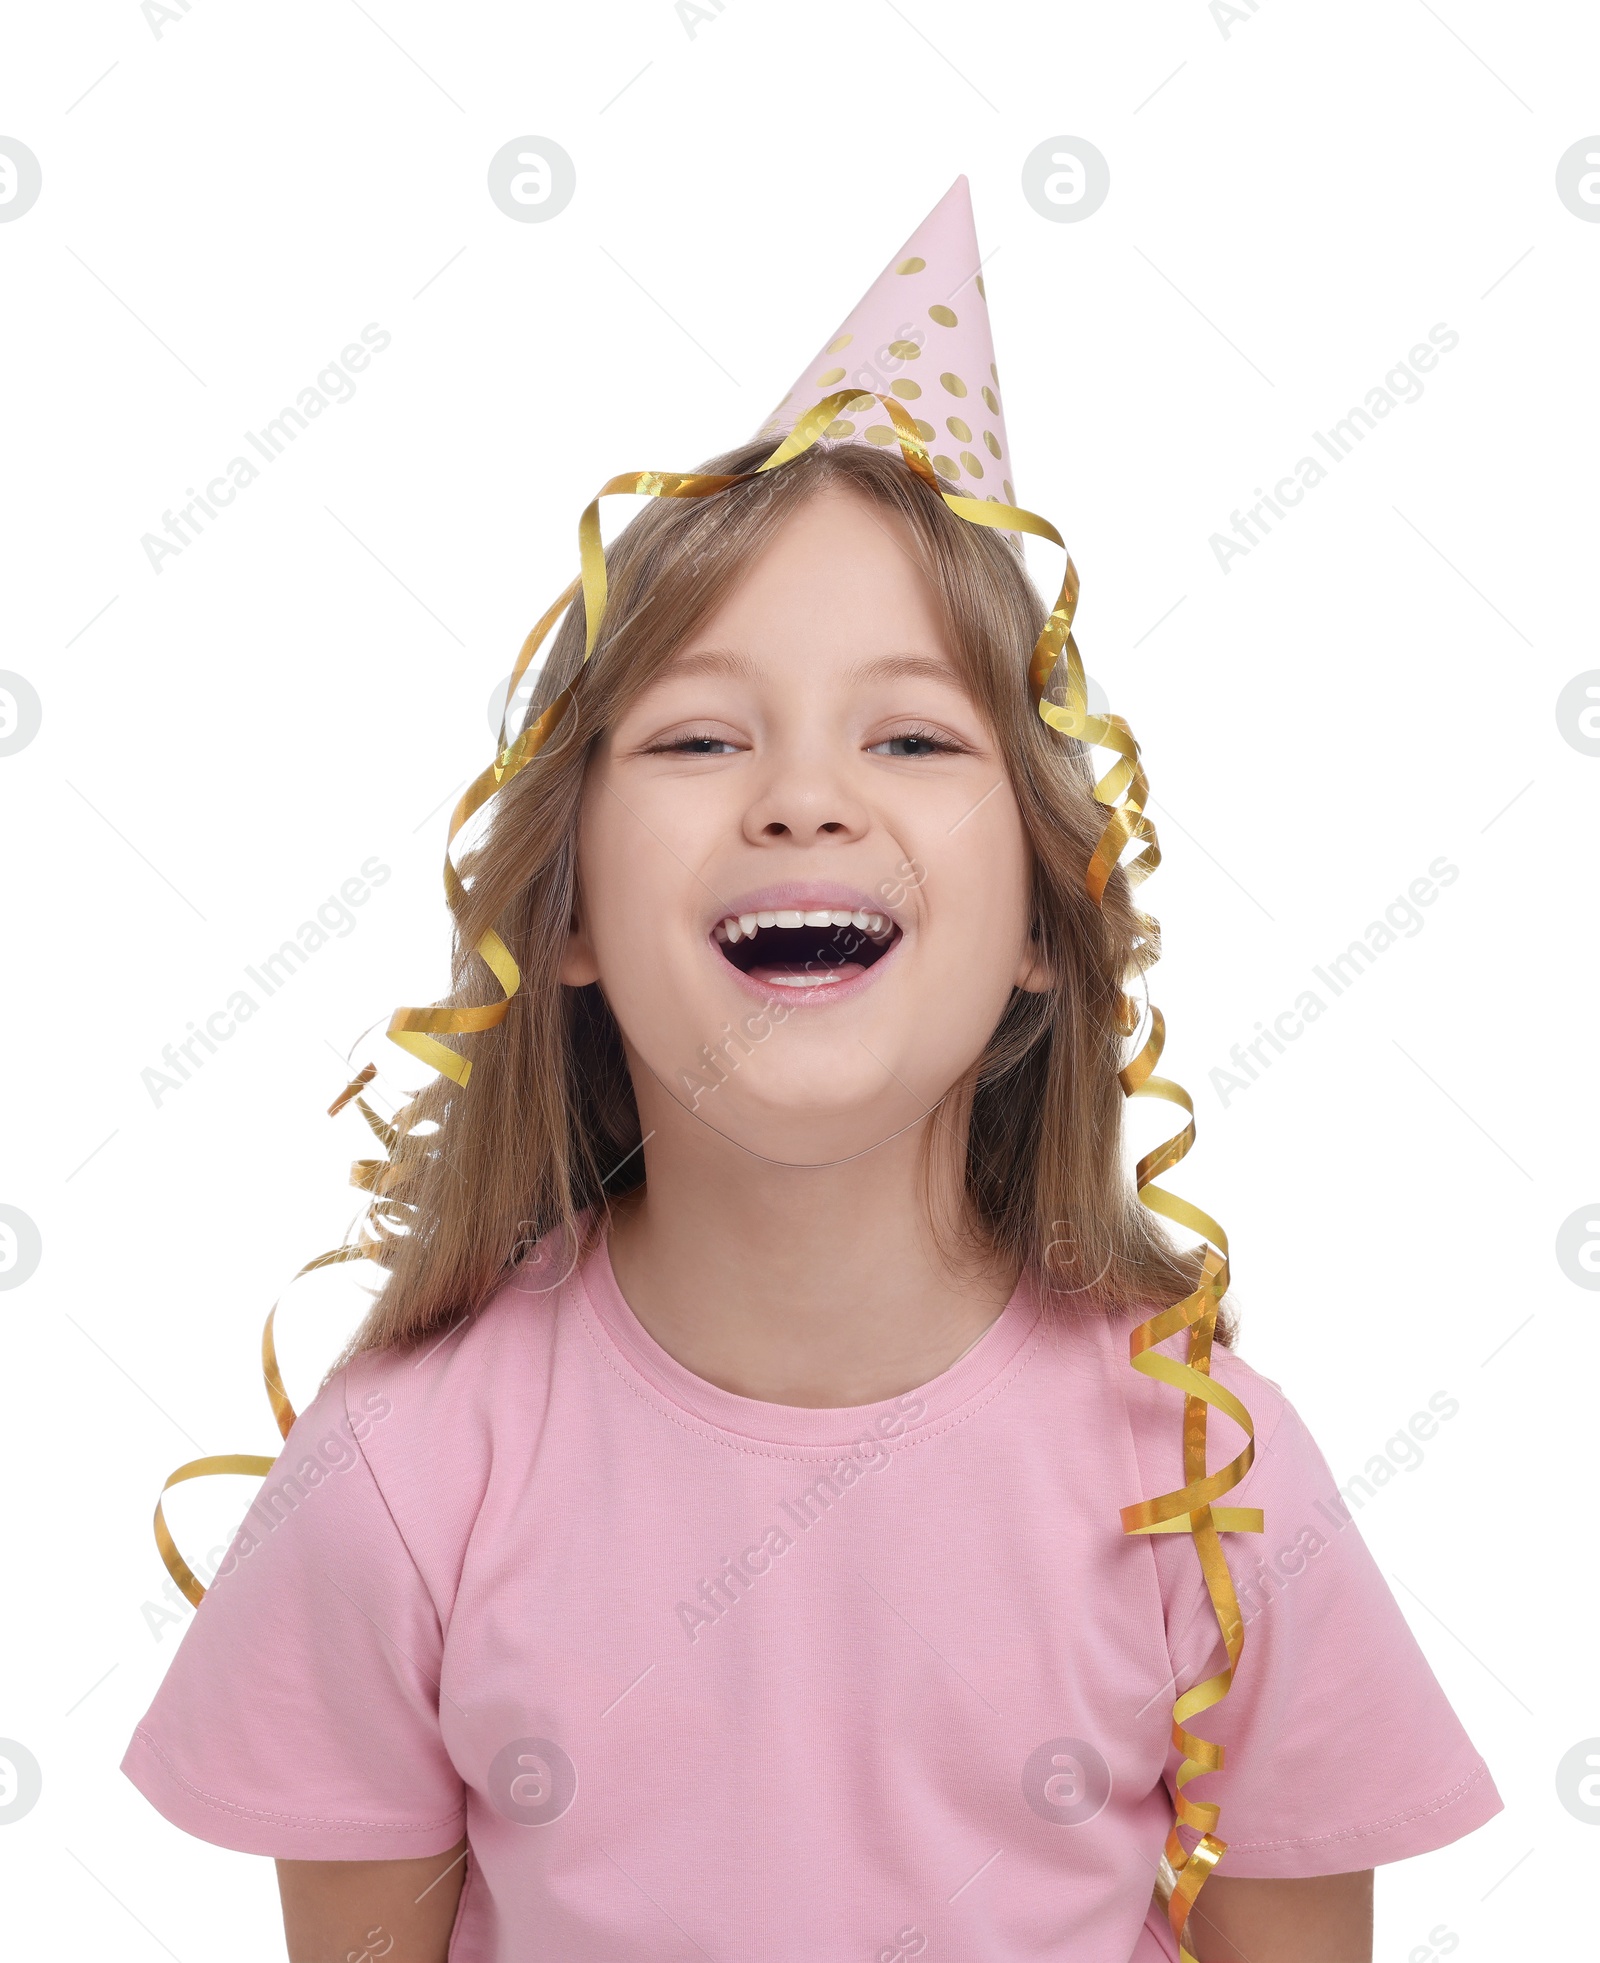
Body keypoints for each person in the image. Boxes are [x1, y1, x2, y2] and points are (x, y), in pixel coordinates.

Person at [122, 179, 1500, 1963]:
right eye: (701, 736)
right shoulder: (406, 1469)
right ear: (566, 917)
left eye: (913, 734)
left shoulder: (1199, 1467)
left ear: (1038, 920)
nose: (802, 795)